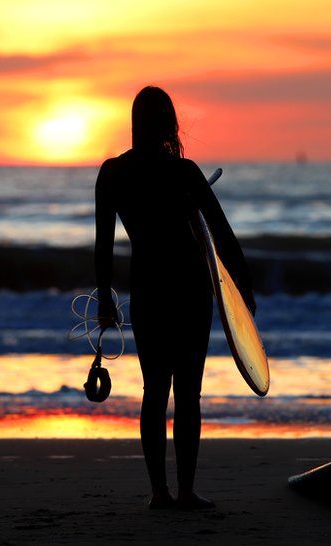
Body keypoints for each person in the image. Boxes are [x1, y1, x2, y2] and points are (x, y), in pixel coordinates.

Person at [94, 86, 255, 510]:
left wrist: (105, 301)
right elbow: (222, 235)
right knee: (188, 393)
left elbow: (103, 247)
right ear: (170, 124)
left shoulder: (113, 174)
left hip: (147, 287)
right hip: (188, 288)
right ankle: (185, 491)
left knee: (154, 390)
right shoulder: (184, 173)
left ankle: (159, 493)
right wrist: (244, 294)